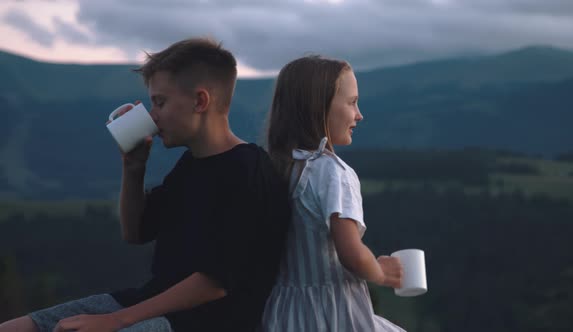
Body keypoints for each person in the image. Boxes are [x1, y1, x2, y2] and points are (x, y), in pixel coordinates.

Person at [0, 38, 290, 332]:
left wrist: (117, 320)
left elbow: (216, 281)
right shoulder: (191, 164)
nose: (152, 115)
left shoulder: (248, 171)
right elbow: (136, 232)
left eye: (160, 101)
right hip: (147, 304)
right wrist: (134, 167)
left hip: (199, 321)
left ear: (200, 101)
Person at [260, 55, 406, 331]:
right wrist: (381, 272)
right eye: (352, 102)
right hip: (332, 314)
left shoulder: (277, 168)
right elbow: (351, 254)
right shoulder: (334, 174)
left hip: (284, 313)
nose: (359, 114)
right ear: (319, 108)